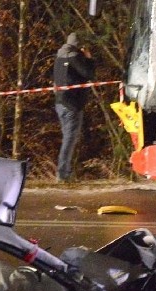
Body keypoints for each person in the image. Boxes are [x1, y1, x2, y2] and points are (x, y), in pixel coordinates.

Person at [53, 32, 95, 183]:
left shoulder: (59, 57)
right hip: (72, 104)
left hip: (59, 103)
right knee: (69, 139)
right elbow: (88, 74)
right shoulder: (74, 56)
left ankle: (65, 171)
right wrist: (89, 59)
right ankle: (63, 174)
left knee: (67, 138)